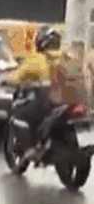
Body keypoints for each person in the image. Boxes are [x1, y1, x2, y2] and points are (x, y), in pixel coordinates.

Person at [6, 26, 69, 162]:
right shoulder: (68, 57)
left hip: (48, 101)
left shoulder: (37, 59)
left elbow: (16, 77)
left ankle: (30, 149)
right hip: (73, 101)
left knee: (18, 114)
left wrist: (6, 81)